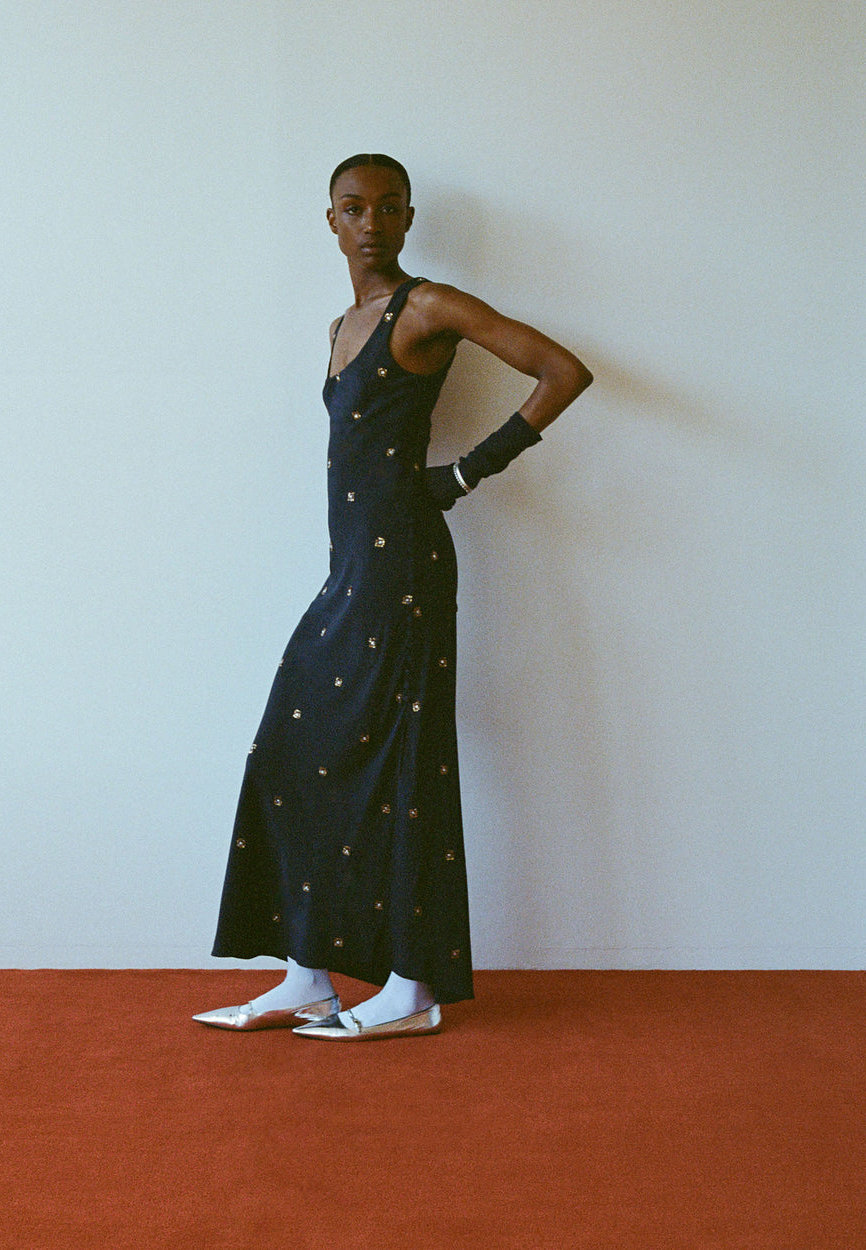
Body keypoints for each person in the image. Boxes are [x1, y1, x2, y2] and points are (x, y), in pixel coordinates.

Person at [195, 154, 592, 1040]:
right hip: (351, 575)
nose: (370, 221)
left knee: (408, 770)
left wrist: (461, 474)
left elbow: (562, 371)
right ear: (329, 222)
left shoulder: (429, 307)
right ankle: (308, 976)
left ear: (408, 218)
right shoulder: (341, 323)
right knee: (294, 754)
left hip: (405, 567)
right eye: (352, 207)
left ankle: (413, 989)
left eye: (387, 206)